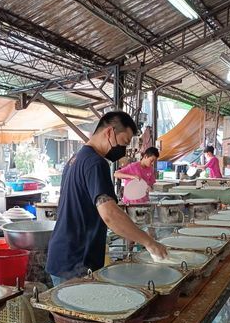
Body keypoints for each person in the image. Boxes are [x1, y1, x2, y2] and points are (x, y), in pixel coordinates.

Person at [46, 111, 168, 285]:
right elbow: (109, 214)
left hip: (64, 254)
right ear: (109, 132)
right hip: (76, 260)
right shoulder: (96, 163)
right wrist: (149, 242)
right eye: (124, 142)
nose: (123, 150)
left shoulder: (75, 159)